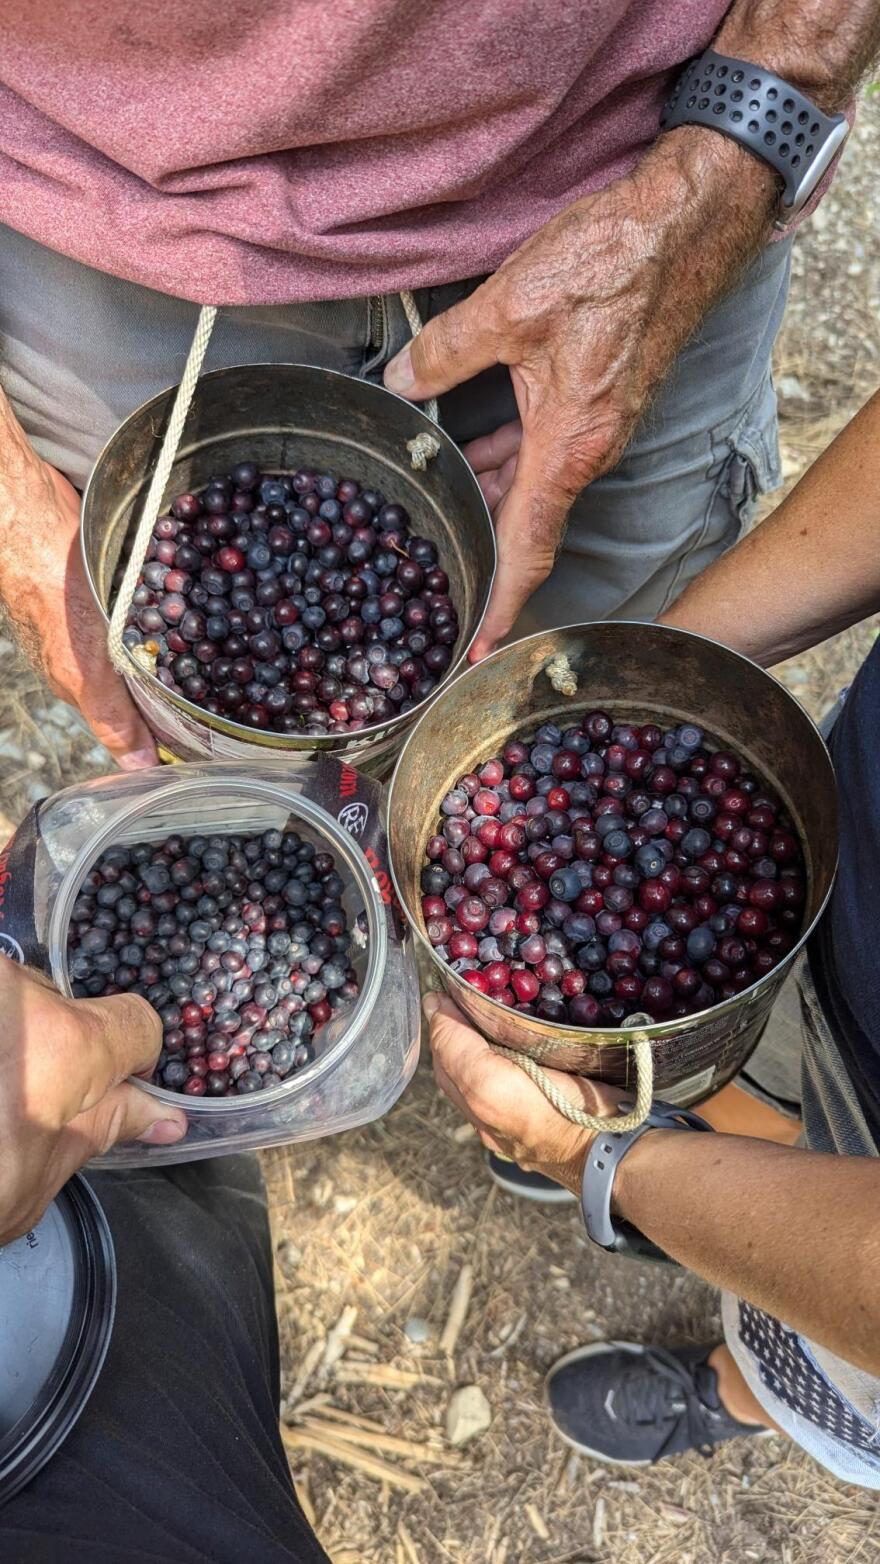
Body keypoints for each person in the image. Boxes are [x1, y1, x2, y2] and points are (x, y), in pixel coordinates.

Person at [1, 2, 877, 767]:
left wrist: (731, 164)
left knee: (574, 728)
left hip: (638, 215)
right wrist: (11, 503)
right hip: (112, 248)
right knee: (222, 751)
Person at [426, 384, 880, 1483]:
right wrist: (657, 667)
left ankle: (742, 1392)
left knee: (835, 1352)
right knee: (740, 1043)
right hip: (837, 902)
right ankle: (688, 1126)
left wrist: (598, 1158)